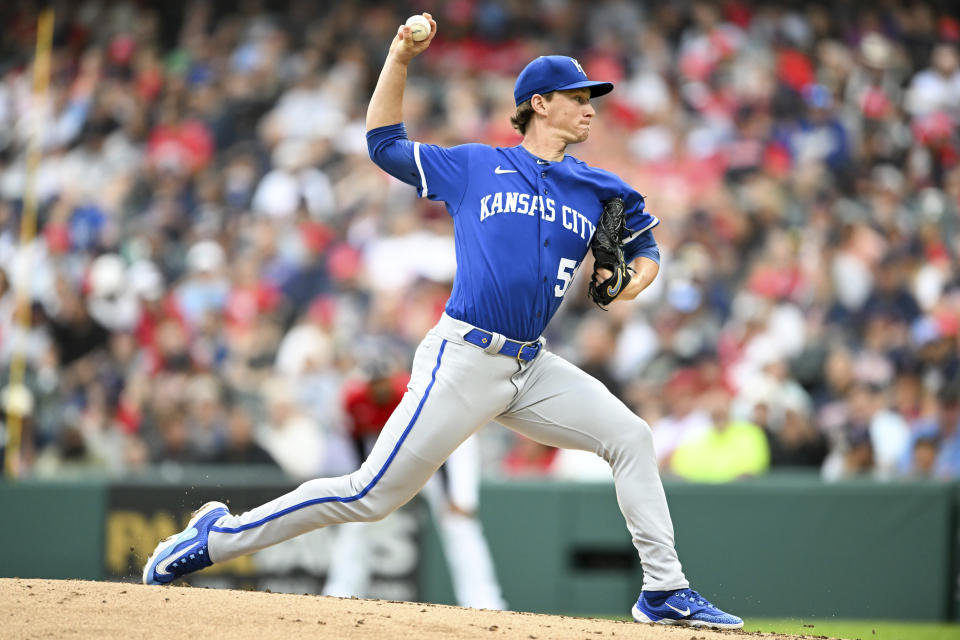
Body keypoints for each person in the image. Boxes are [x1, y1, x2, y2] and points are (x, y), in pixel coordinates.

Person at [142, 14, 743, 630]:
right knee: (368, 495)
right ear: (539, 104)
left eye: (592, 98)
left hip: (531, 367)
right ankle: (217, 537)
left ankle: (665, 590)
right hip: (463, 358)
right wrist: (400, 56)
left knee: (631, 437)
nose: (590, 108)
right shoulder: (476, 166)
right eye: (577, 98)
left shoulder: (597, 187)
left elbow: (645, 252)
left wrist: (631, 281)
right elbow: (383, 144)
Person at [322, 357, 506, 610]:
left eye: (383, 379)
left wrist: (451, 494)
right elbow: (360, 444)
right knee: (357, 514)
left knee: (459, 521)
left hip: (451, 448)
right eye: (374, 381)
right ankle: (340, 591)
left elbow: (441, 441)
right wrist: (364, 485)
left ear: (393, 375)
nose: (379, 387)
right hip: (402, 453)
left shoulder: (409, 390)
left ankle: (485, 601)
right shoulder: (355, 399)